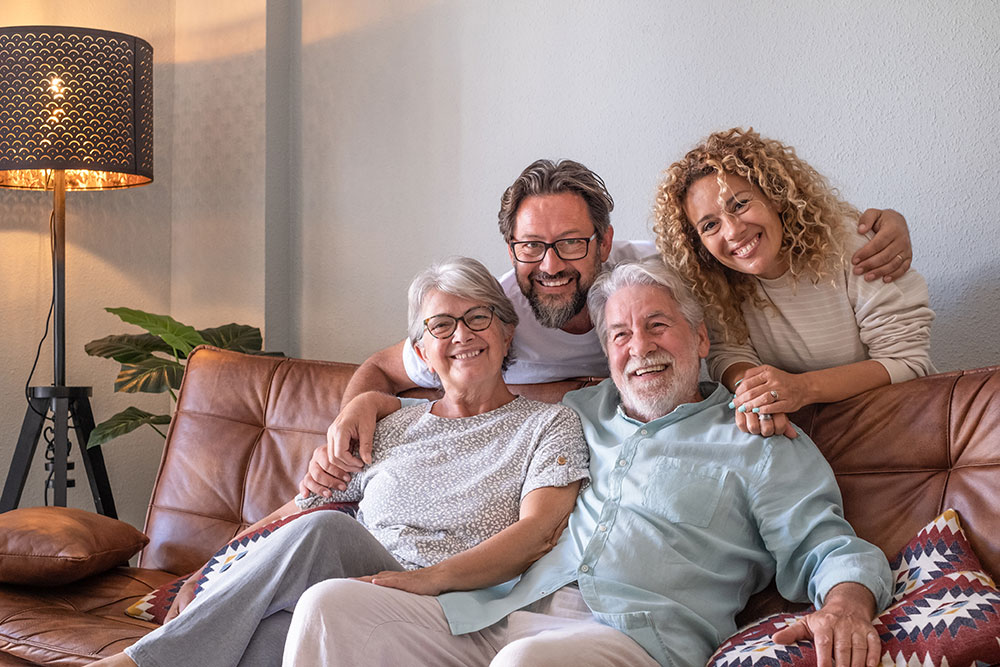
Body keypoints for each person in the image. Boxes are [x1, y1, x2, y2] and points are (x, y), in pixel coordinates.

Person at [284, 257, 892, 667]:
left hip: (634, 635)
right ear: (605, 351)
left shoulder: (757, 434)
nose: (641, 347)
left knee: (524, 664)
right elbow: (439, 367)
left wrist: (844, 605)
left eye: (659, 326)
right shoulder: (576, 410)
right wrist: (364, 401)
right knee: (329, 607)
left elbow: (830, 546)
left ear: (702, 340)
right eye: (621, 335)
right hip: (499, 610)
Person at [302, 157, 915, 496]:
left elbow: (757, 241)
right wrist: (355, 410)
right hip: (550, 474)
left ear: (606, 242)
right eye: (530, 246)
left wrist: (879, 223)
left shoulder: (659, 269)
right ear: (510, 247)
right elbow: (385, 365)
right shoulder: (490, 316)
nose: (550, 265)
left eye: (571, 243)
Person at [92, 257, 589, 667]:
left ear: (506, 332)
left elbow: (538, 532)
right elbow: (296, 512)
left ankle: (135, 664)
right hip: (359, 594)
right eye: (441, 324)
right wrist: (209, 576)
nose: (461, 335)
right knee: (266, 637)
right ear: (421, 349)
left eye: (478, 317)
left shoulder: (547, 425)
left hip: (456, 604)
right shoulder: (390, 424)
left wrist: (425, 580)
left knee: (327, 532)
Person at [654, 128, 935, 440]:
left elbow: (906, 362)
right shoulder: (713, 280)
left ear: (774, 195)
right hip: (803, 437)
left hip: (896, 426)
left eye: (740, 204)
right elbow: (728, 353)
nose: (732, 231)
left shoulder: (849, 245)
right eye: (710, 225)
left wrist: (801, 388)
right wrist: (756, 393)